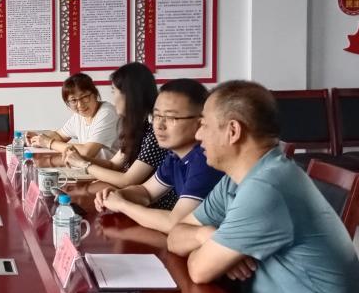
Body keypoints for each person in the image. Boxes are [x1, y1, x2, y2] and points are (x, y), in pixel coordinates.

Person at [167, 81, 359, 293]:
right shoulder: (238, 179)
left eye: (204, 124)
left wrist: (211, 250)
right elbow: (176, 235)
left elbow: (199, 269)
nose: (198, 135)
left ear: (233, 131)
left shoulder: (268, 186)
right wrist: (210, 235)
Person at [94, 79, 222, 232]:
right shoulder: (175, 156)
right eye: (156, 116)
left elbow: (175, 223)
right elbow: (146, 192)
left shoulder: (205, 159)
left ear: (200, 122)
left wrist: (122, 205)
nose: (159, 125)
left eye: (171, 118)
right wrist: (119, 194)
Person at [65, 63, 171, 205]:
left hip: (154, 206)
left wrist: (84, 164)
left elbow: (127, 180)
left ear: (130, 95)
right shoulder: (136, 125)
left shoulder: (155, 131)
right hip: (134, 199)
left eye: (114, 91)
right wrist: (79, 158)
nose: (113, 98)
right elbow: (113, 164)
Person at [28, 72, 119, 161]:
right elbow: (60, 135)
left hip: (111, 170)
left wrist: (49, 142)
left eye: (84, 97)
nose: (80, 105)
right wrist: (37, 138)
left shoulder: (107, 113)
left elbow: (87, 152)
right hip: (89, 167)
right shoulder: (79, 116)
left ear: (95, 94)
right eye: (73, 100)